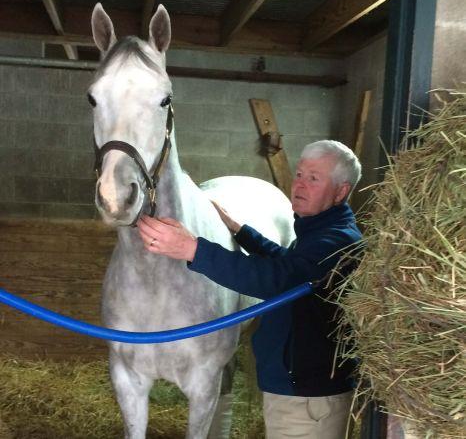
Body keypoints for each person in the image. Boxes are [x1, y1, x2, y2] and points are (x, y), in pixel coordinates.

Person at [137, 140, 363, 439]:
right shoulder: (318, 232)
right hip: (299, 392)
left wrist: (193, 249)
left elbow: (276, 279)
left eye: (314, 178)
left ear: (341, 191)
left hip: (308, 401)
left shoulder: (336, 241)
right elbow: (290, 265)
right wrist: (239, 230)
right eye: (299, 174)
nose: (300, 185)